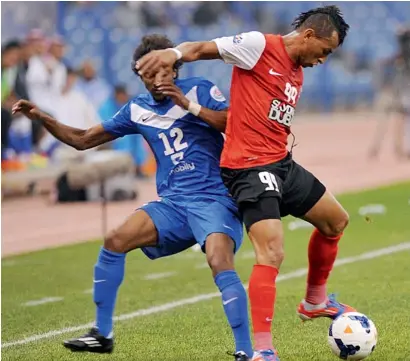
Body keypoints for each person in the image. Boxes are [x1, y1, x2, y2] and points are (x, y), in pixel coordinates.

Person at [12, 34, 253, 361]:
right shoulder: (137, 109)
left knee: (218, 260)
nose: (156, 79)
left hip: (214, 199)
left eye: (162, 71)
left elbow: (234, 123)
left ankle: (246, 352)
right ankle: (102, 333)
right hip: (172, 205)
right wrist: (43, 118)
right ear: (139, 76)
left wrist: (186, 104)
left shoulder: (200, 89)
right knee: (115, 239)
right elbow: (83, 140)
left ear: (175, 66)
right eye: (147, 75)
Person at [136, 6, 354, 361]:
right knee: (272, 251)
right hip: (248, 169)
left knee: (336, 221)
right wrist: (173, 54)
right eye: (325, 51)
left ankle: (315, 300)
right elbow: (199, 48)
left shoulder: (297, 68)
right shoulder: (257, 46)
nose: (324, 60)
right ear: (309, 36)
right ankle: (263, 351)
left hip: (280, 163)